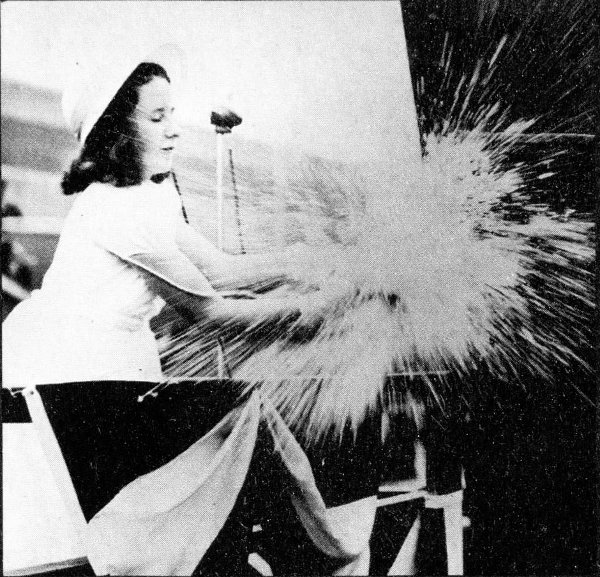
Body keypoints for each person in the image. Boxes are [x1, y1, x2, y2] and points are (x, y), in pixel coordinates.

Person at [2, 45, 318, 388]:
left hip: (108, 359)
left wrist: (303, 263)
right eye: (157, 118)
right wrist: (307, 312)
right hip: (64, 368)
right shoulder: (117, 207)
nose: (174, 129)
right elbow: (207, 313)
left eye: (171, 114)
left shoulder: (147, 196)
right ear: (119, 132)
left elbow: (222, 270)